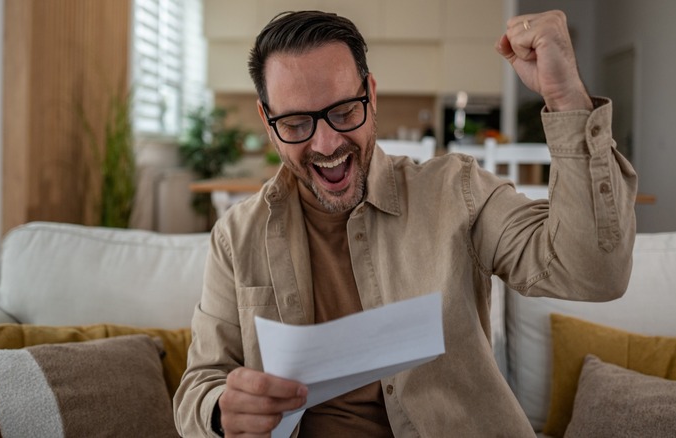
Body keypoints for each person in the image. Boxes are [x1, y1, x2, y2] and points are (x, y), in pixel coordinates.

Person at [174, 9, 637, 438]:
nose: (327, 142)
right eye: (296, 123)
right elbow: (199, 385)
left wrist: (565, 97)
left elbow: (595, 273)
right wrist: (220, 410)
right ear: (266, 118)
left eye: (343, 111)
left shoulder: (456, 191)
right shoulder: (236, 238)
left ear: (371, 95)